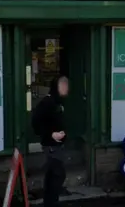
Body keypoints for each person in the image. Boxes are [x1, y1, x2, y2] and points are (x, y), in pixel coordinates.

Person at [31, 76, 69, 207]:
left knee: (53, 175)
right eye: (62, 85)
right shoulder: (47, 102)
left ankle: (50, 202)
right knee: (58, 175)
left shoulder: (57, 102)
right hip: (51, 145)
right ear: (55, 87)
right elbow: (36, 122)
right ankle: (51, 203)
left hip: (57, 145)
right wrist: (51, 134)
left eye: (66, 85)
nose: (65, 88)